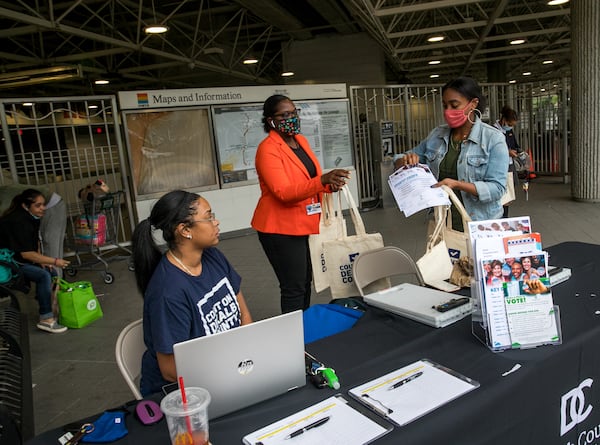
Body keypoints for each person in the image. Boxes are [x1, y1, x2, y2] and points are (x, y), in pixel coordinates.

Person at [132, 190, 252, 396]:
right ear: (185, 230)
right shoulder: (167, 292)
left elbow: (244, 315)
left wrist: (246, 362)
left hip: (230, 369)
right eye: (208, 217)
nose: (216, 222)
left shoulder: (213, 256)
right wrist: (230, 370)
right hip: (183, 392)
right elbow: (170, 371)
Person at [251, 94, 350, 313]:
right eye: (285, 114)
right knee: (293, 287)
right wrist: (321, 180)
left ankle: (302, 329)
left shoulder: (300, 141)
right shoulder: (268, 149)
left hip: (302, 223)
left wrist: (328, 185)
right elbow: (283, 192)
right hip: (279, 229)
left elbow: (307, 179)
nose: (292, 118)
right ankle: (294, 338)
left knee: (304, 282)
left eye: (294, 113)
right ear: (271, 121)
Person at [394, 77, 508, 229]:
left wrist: (457, 184)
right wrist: (405, 160)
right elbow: (400, 159)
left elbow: (497, 188)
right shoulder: (437, 135)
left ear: (473, 104)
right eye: (445, 105)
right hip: (443, 224)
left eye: (454, 105)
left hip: (481, 225)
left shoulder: (493, 139)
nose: (448, 112)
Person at [0, 189, 70, 333]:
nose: (43, 208)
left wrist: (42, 260)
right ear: (26, 206)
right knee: (43, 275)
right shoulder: (19, 221)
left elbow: (33, 243)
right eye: (38, 206)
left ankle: (47, 305)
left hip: (15, 257)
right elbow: (26, 254)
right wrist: (55, 261)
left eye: (43, 204)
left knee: (49, 272)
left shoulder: (31, 217)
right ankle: (46, 319)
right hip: (5, 263)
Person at [494, 105, 521, 217]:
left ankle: (505, 218)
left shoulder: (509, 132)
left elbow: (515, 145)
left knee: (508, 196)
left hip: (509, 165)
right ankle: (499, 217)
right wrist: (507, 152)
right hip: (498, 167)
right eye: (509, 125)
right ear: (504, 120)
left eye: (512, 126)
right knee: (500, 195)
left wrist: (518, 152)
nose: (510, 127)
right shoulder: (493, 131)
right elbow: (493, 150)